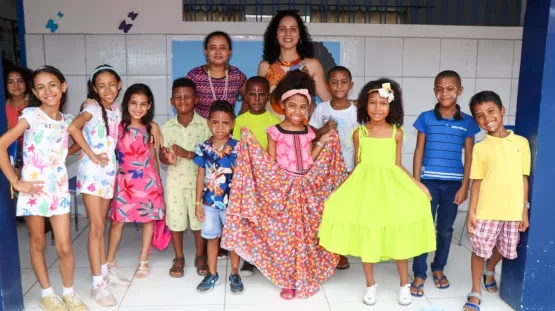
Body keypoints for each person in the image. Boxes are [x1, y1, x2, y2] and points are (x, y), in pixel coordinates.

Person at [222, 70, 346, 299]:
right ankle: (288, 280)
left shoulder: (309, 131)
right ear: (282, 106)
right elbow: (270, 164)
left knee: (308, 236)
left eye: (302, 106)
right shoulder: (274, 131)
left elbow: (310, 157)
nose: (297, 111)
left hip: (307, 191)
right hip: (284, 192)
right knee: (286, 238)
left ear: (308, 108)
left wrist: (322, 142)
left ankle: (306, 274)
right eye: (292, 105)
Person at [318, 79, 436, 306]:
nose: (377, 108)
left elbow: (398, 164)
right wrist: (338, 191)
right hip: (366, 190)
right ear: (364, 105)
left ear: (392, 106)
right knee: (368, 236)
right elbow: (358, 165)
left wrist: (417, 184)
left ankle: (404, 284)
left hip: (391, 189)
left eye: (383, 103)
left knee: (397, 234)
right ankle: (370, 284)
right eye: (372, 103)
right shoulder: (359, 132)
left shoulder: (397, 133)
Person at [0, 66, 88, 311]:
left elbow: (66, 146)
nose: (47, 90)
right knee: (37, 241)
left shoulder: (66, 120)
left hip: (57, 186)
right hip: (34, 187)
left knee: (65, 245)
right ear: (35, 92)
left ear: (63, 86)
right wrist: (16, 181)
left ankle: (69, 293)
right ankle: (47, 293)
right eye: (40, 87)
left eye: (52, 84)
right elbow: (1, 145)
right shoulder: (31, 116)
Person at [410, 70, 481, 296]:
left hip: (453, 185)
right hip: (428, 183)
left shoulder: (468, 123)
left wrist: (465, 186)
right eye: (439, 88)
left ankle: (438, 268)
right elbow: (419, 150)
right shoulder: (425, 118)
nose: (444, 93)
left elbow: (470, 157)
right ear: (434, 91)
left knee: (445, 231)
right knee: (423, 228)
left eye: (450, 88)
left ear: (460, 91)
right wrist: (416, 182)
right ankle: (419, 272)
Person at [463, 91, 530, 311]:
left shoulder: (521, 143)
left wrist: (524, 210)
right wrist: (472, 212)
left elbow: (523, 178)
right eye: (479, 115)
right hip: (486, 210)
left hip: (512, 211)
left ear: (502, 111)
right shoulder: (480, 148)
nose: (487, 118)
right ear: (476, 121)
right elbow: (477, 182)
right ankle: (475, 291)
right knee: (479, 250)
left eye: (491, 111)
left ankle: (490, 269)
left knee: (506, 248)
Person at [105, 83, 165, 279]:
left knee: (148, 220)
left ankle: (143, 260)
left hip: (148, 181)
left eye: (143, 104)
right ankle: (109, 259)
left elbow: (153, 157)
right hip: (124, 182)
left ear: (149, 106)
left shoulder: (151, 128)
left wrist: (158, 184)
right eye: (133, 103)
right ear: (126, 103)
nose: (138, 108)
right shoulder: (117, 126)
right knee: (117, 222)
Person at [159, 77, 211, 278]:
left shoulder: (205, 125)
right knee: (176, 221)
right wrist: (167, 157)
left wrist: (187, 153)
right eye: (178, 97)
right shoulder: (167, 127)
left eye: (188, 96)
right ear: (172, 101)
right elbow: (162, 156)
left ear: (196, 99)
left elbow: (210, 155)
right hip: (175, 183)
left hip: (199, 183)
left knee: (199, 221)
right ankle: (178, 257)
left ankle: (200, 256)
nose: (183, 100)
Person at [308, 66, 357, 270]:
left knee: (342, 211)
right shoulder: (322, 109)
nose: (339, 85)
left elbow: (362, 139)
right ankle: (322, 248)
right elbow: (311, 134)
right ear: (327, 85)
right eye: (334, 82)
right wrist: (323, 130)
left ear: (350, 85)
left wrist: (356, 169)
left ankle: (340, 252)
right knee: (323, 209)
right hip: (323, 170)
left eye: (343, 81)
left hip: (346, 168)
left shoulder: (356, 111)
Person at [193, 100, 244, 294]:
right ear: (208, 123)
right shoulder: (204, 148)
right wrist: (198, 203)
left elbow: (243, 176)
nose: (220, 127)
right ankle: (212, 273)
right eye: (215, 122)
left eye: (225, 122)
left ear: (233, 123)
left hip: (232, 204)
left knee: (233, 241)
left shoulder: (238, 148)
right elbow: (200, 176)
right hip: (209, 203)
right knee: (211, 238)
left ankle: (234, 273)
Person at [231, 75, 280, 277]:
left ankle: (267, 258)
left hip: (266, 180)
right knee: (249, 220)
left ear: (268, 96)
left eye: (262, 94)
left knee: (266, 220)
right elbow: (235, 152)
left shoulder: (275, 121)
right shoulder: (240, 121)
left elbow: (276, 154)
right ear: (246, 97)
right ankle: (249, 260)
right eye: (252, 94)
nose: (257, 98)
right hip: (246, 181)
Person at [258, 10, 331, 120]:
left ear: (300, 35)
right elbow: (258, 103)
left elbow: (328, 102)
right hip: (270, 133)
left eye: (293, 29)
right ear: (275, 35)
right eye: (282, 29)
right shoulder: (265, 66)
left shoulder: (312, 65)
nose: (288, 33)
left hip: (302, 134)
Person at [186, 31, 247, 119]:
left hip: (227, 130)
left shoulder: (236, 75)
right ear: (206, 51)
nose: (218, 52)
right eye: (212, 48)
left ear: (229, 51)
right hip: (201, 130)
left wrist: (240, 119)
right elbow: (185, 102)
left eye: (222, 48)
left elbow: (249, 97)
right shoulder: (194, 76)